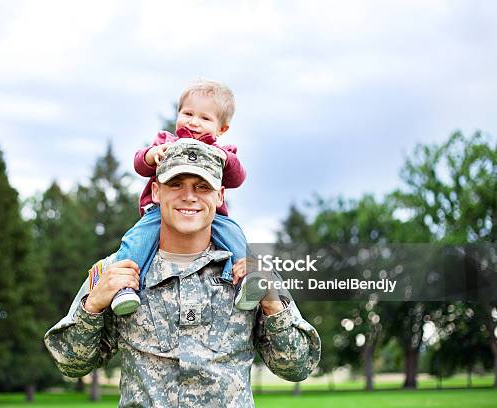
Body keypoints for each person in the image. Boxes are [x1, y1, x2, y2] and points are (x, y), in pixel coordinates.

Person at [44, 140, 321, 407]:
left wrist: (273, 304)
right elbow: (71, 363)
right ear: (155, 191)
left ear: (220, 196)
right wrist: (92, 307)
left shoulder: (252, 273)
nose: (189, 196)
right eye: (176, 184)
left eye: (202, 186)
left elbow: (296, 367)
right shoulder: (116, 271)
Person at [110, 79, 263, 315]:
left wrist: (224, 159)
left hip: (214, 218)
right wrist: (152, 155)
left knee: (234, 235)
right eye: (188, 113)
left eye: (205, 118)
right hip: (157, 212)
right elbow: (139, 164)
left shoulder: (223, 152)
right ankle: (124, 286)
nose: (193, 122)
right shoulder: (166, 142)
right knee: (137, 239)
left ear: (222, 129)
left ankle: (244, 279)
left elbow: (237, 178)